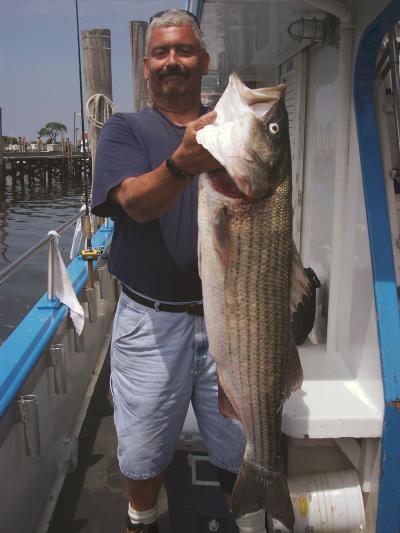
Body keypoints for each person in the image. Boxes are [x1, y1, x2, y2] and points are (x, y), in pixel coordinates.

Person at [91, 9, 253, 533]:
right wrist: (182, 163)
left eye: (183, 50)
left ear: (204, 61)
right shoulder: (125, 130)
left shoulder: (232, 130)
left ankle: (246, 516)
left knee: (236, 442)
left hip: (230, 316)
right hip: (151, 322)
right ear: (145, 66)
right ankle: (143, 519)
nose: (172, 62)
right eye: (160, 52)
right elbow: (134, 203)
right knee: (143, 448)